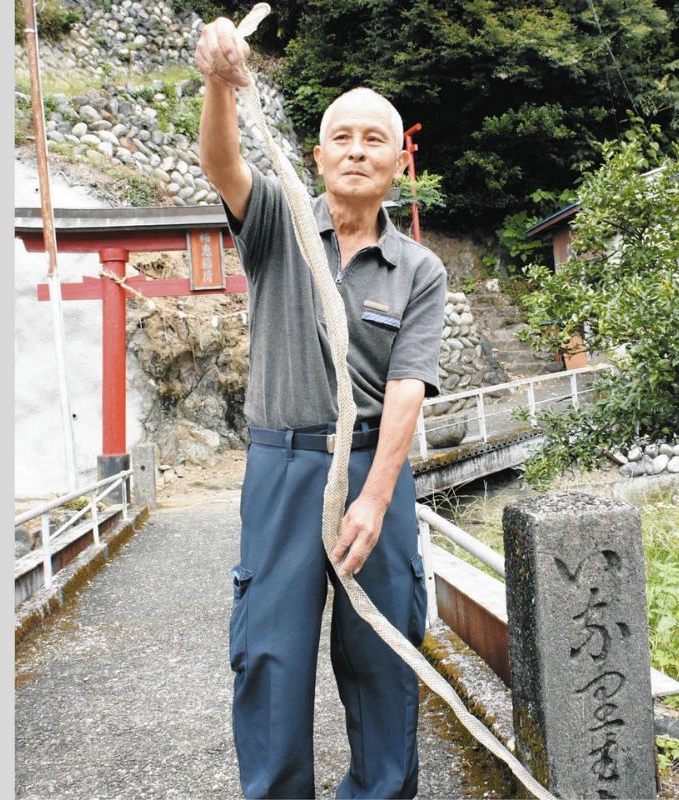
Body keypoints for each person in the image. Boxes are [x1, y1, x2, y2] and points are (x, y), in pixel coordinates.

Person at [195, 16, 448, 800]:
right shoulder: (278, 221)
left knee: (383, 656)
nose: (357, 151)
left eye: (375, 139)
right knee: (269, 654)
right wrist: (218, 83)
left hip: (376, 468)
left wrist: (376, 498)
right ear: (318, 154)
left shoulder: (418, 270)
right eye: (342, 137)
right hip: (283, 466)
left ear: (398, 163)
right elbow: (221, 162)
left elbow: (408, 385)